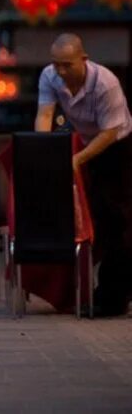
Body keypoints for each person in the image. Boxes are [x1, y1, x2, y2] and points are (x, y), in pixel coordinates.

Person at [35, 33, 132, 317]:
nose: (61, 72)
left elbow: (110, 132)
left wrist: (77, 159)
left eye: (67, 65)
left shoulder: (105, 83)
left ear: (84, 60)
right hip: (89, 147)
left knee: (122, 223)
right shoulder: (49, 77)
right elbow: (44, 115)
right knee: (97, 220)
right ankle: (104, 294)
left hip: (119, 148)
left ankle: (113, 298)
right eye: (56, 65)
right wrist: (44, 150)